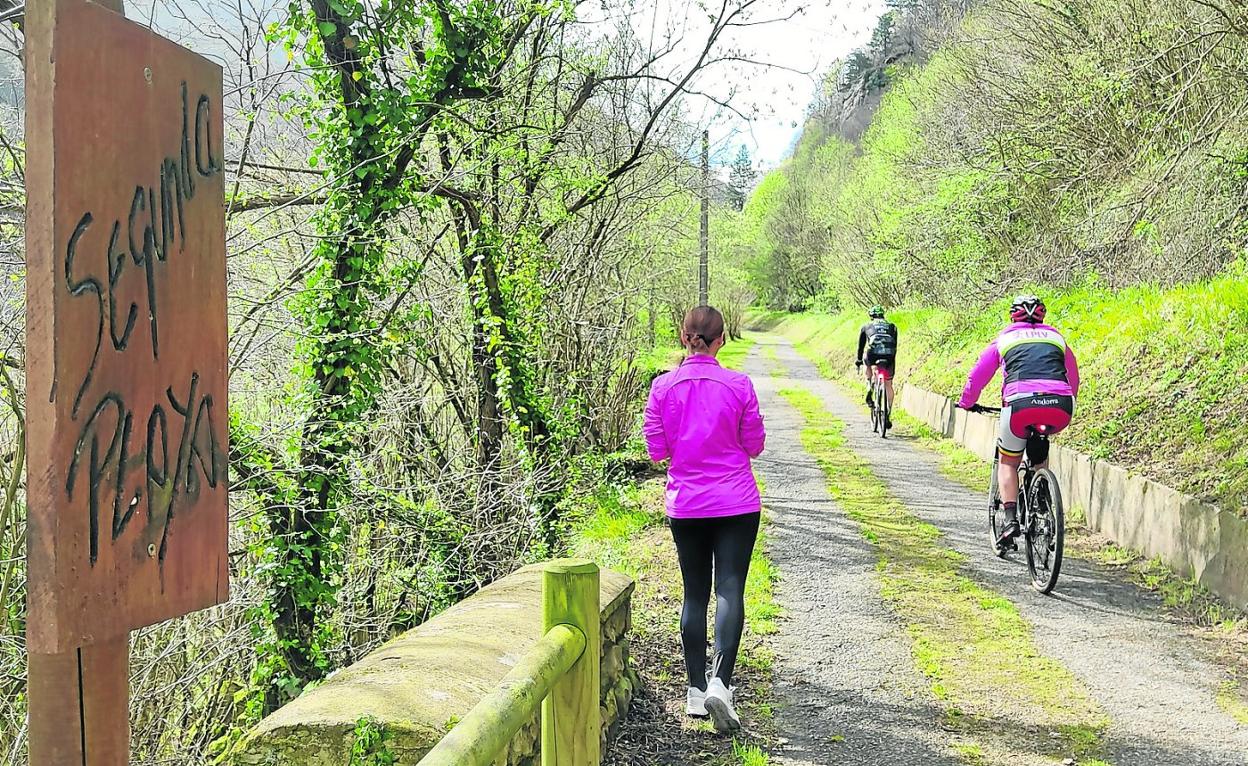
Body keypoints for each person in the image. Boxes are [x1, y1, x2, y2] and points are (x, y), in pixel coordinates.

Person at [643, 305, 766, 734]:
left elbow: (657, 451)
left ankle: (695, 693)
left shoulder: (662, 388)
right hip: (736, 502)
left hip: (687, 504)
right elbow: (755, 444)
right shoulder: (739, 385)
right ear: (721, 341)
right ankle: (720, 683)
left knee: (695, 593)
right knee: (730, 586)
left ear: (683, 337)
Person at [956, 295, 1080, 549]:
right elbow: (1073, 374)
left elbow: (978, 376)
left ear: (1013, 316)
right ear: (1042, 316)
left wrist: (966, 402)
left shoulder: (1003, 339)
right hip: (1060, 406)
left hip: (1020, 405)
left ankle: (1011, 520)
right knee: (1039, 448)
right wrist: (1069, 399)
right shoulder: (1056, 338)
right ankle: (1042, 499)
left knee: (1008, 462)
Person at [855, 305, 898, 428]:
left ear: (871, 316)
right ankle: (888, 413)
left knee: (865, 358)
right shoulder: (892, 327)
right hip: (889, 356)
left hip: (873, 355)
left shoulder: (866, 326)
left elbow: (861, 347)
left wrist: (858, 361)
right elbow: (895, 345)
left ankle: (869, 384)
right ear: (883, 315)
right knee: (889, 384)